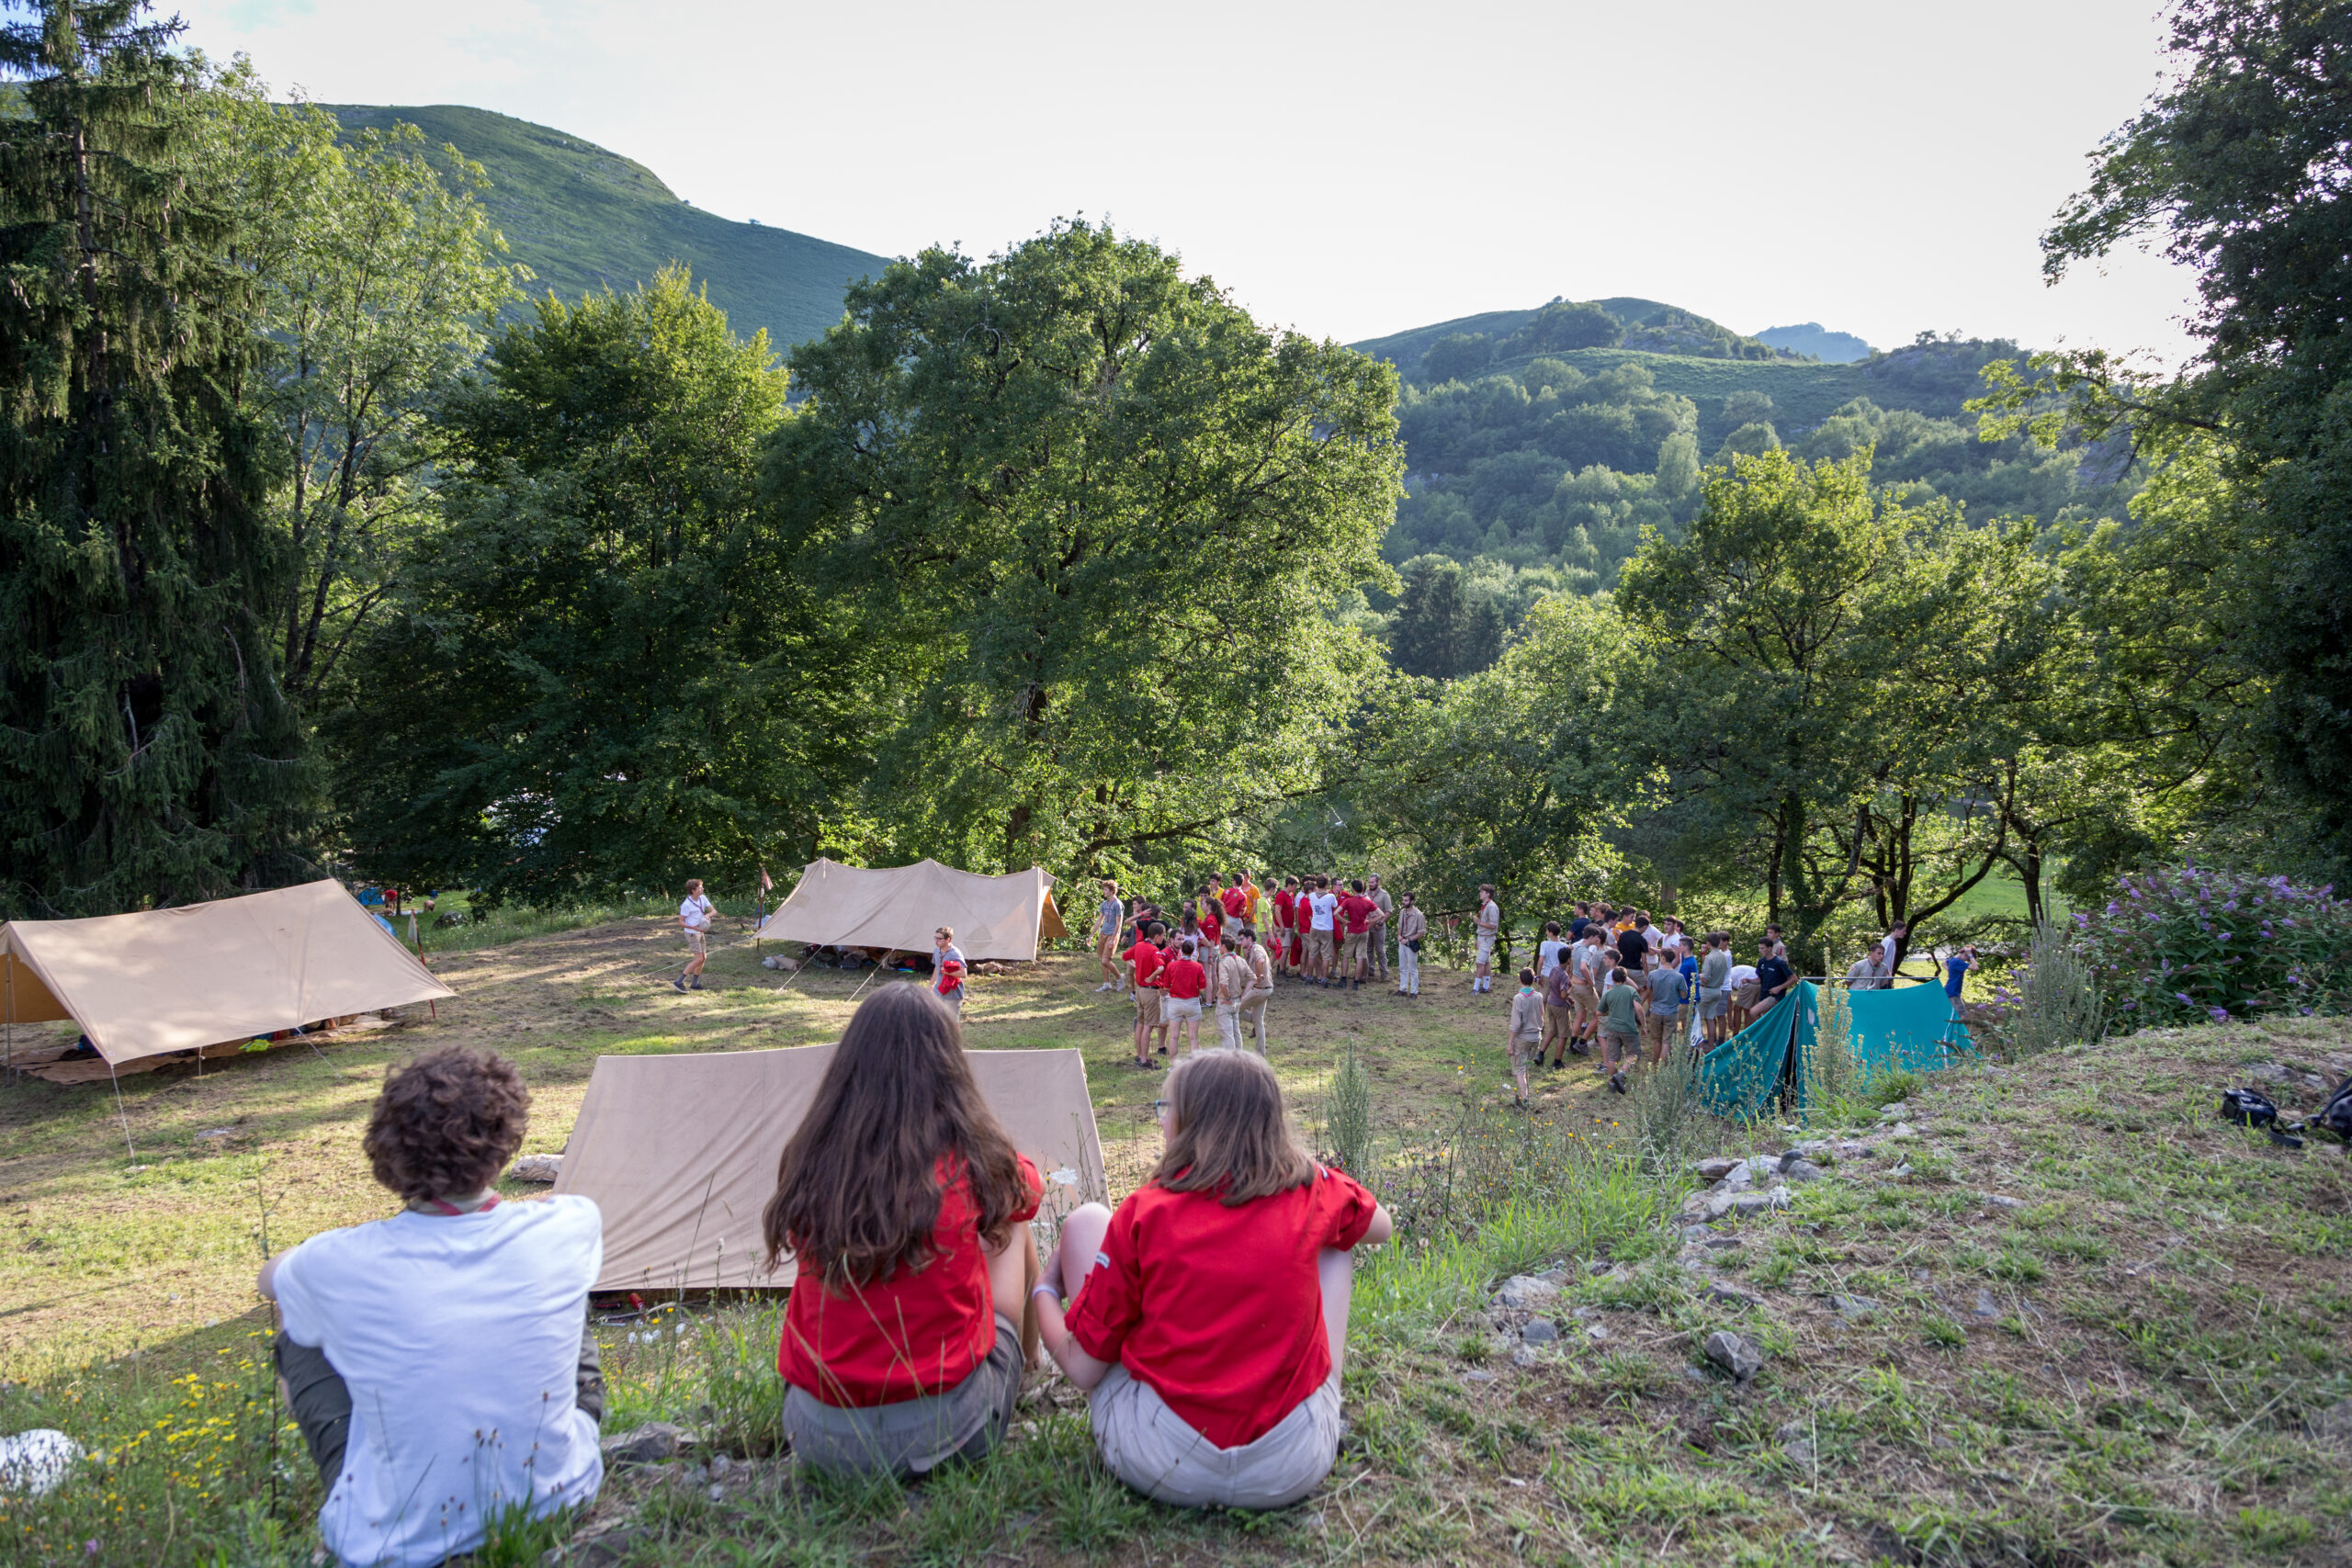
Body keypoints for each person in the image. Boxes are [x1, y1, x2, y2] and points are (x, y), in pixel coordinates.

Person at [258, 1047, 603, 1568]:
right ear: (506, 1137)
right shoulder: (571, 1223)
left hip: (395, 1540)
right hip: (560, 1495)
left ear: (387, 1151)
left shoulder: (335, 1263)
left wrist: (302, 1258)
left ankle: (367, 1472)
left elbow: (271, 1280)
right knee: (563, 1292)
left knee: (297, 1322)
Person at [1032, 1050, 1392, 1510]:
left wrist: (1044, 1289)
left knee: (1087, 1221)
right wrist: (1314, 1174)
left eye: (1166, 1110)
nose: (1162, 1123)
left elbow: (1082, 1369)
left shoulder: (1144, 1211)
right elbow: (1379, 1225)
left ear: (1190, 1123)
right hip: (1291, 1465)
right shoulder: (1312, 1190)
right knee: (1339, 1239)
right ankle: (1325, 1393)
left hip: (1158, 1461)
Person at [764, 986, 1043, 1478]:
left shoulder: (809, 1159)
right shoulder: (972, 1164)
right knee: (1012, 1227)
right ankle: (1025, 1367)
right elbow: (1029, 1191)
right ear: (948, 1068)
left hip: (815, 1434)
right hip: (947, 1432)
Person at [1128, 922, 1169, 1068]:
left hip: (1139, 990)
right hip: (1150, 991)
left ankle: (1140, 1055)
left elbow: (1126, 956)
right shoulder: (1154, 950)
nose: (1164, 939)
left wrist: (1137, 966)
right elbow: (1161, 967)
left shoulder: (1138, 945)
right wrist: (1152, 976)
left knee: (1140, 1023)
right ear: (1157, 936)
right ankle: (1145, 1060)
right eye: (1163, 936)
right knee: (1149, 1026)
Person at [1598, 964, 1641, 1094]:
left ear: (1613, 978)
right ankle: (1621, 1074)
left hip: (1612, 1028)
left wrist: (1609, 1012)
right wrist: (1643, 1025)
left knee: (1612, 1058)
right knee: (1633, 1054)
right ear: (1626, 978)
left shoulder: (1609, 993)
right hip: (1628, 1028)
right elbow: (1638, 1008)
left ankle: (1611, 1084)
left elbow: (1599, 1012)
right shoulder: (1631, 991)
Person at [1162, 939, 1208, 1055]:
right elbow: (1202, 989)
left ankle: (1173, 1065)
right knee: (1193, 1037)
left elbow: (1166, 987)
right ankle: (1195, 1066)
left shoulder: (1172, 965)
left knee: (1173, 1036)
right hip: (1192, 1002)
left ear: (1181, 951)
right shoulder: (1198, 967)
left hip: (1175, 1002)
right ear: (1193, 952)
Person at [1641, 950, 1685, 1066]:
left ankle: (1657, 1063)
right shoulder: (1679, 976)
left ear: (1663, 958)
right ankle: (1662, 1066)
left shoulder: (1653, 974)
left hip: (1655, 1010)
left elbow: (1650, 991)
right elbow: (1684, 995)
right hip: (1671, 1011)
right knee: (1667, 1040)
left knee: (1656, 1039)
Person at [1506, 967, 1542, 1107]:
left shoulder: (1518, 998)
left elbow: (1516, 1023)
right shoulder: (1539, 996)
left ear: (1520, 980)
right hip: (1536, 1037)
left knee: (1519, 1070)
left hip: (1522, 1038)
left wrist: (1510, 1042)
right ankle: (1524, 1096)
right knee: (1526, 1067)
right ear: (1533, 980)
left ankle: (1525, 1100)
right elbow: (1542, 1014)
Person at [1570, 925, 1610, 1049]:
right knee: (1600, 1014)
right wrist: (1591, 982)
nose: (1598, 940)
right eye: (1596, 938)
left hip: (1574, 985)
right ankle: (1582, 1043)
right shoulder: (1586, 951)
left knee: (1580, 1014)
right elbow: (1583, 967)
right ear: (1591, 937)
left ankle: (1572, 1044)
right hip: (1583, 986)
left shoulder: (1576, 947)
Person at [1237, 926, 1274, 1050]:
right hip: (1265, 989)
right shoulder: (1253, 950)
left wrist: (1258, 976)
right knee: (1258, 1021)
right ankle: (1260, 1054)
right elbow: (1251, 980)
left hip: (1260, 990)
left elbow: (1260, 961)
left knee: (1235, 1010)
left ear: (1249, 938)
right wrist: (1244, 995)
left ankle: (1236, 1049)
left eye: (1242, 939)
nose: (1240, 942)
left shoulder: (1256, 949)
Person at [674, 877, 715, 992]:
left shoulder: (703, 898)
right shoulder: (686, 904)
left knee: (703, 958)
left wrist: (707, 916)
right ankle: (678, 981)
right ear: (693, 890)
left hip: (700, 932)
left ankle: (694, 984)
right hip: (692, 933)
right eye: (700, 887)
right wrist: (694, 927)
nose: (702, 889)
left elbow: (714, 911)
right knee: (698, 959)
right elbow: (681, 922)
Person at [1336, 880, 1377, 990]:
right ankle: (1356, 982)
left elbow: (1336, 913)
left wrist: (1344, 921)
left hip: (1352, 930)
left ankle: (1343, 980)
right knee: (1360, 957)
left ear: (1353, 889)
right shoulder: (1367, 901)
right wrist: (1369, 922)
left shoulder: (1349, 901)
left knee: (1346, 956)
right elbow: (1381, 914)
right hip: (1363, 931)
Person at [1542, 945, 1578, 1066]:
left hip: (1551, 1003)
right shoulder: (1564, 975)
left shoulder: (1553, 969)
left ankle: (1540, 1054)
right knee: (1563, 1034)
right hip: (1560, 1007)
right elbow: (1563, 995)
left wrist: (1569, 998)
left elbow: (1555, 988)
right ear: (1568, 960)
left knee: (1552, 1031)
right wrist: (1570, 989)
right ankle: (1557, 1061)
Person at [1698, 931, 1734, 1046]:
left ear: (1708, 943)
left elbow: (1706, 977)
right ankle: (1711, 1044)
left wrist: (1698, 975)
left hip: (1709, 989)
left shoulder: (1712, 957)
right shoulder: (1723, 955)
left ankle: (1699, 1045)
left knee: (1698, 1019)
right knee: (1710, 1018)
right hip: (1718, 989)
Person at [1750, 941, 1795, 1025]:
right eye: (1759, 948)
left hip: (1775, 997)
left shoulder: (1779, 962)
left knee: (1753, 1012)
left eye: (1762, 948)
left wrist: (1779, 988)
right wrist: (1748, 980)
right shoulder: (1761, 962)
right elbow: (1760, 980)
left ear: (1770, 948)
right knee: (1769, 1019)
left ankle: (1763, 1029)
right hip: (1764, 994)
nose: (1760, 950)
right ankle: (1767, 1033)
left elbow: (1794, 978)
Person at [1306, 877, 1339, 987]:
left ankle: (1309, 978)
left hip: (1314, 927)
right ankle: (1324, 979)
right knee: (1326, 955)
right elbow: (1335, 906)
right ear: (1326, 885)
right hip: (1326, 928)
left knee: (1312, 954)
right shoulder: (1331, 896)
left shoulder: (1311, 895)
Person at [1095, 881, 1125, 993]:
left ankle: (1119, 977)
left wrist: (1113, 938)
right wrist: (1091, 935)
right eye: (1103, 889)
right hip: (1103, 933)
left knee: (1105, 960)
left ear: (1112, 891)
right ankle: (1107, 983)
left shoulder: (1117, 904)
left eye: (1105, 890)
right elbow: (1099, 920)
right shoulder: (1104, 904)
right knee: (1102, 959)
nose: (1103, 891)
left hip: (1112, 934)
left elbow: (1118, 923)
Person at [1394, 893, 1426, 997]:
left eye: (1406, 900)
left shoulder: (1418, 915)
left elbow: (1421, 932)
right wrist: (1399, 936)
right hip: (1402, 941)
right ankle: (1402, 989)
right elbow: (1399, 926)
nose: (1404, 902)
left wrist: (1408, 939)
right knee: (1402, 967)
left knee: (1412, 968)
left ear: (1412, 901)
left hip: (1411, 943)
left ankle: (1414, 992)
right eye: (1403, 900)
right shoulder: (1402, 912)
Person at [1366, 874, 1395, 985]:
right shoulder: (1366, 893)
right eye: (1369, 882)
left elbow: (1388, 911)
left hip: (1379, 925)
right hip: (1368, 924)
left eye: (1373, 882)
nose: (1370, 884)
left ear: (1378, 882)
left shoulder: (1384, 895)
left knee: (1380, 949)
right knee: (1368, 949)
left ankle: (1384, 973)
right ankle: (1370, 970)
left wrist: (1381, 922)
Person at [933, 927, 968, 1013]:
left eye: (939, 938)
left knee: (952, 1024)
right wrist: (931, 984)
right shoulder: (936, 950)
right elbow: (937, 967)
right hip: (938, 992)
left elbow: (963, 973)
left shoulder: (955, 954)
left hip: (952, 996)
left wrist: (946, 971)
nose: (936, 941)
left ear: (948, 939)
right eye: (936, 938)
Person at [1473, 884, 1500, 994]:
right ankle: (1485, 986)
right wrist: (1477, 938)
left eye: (1482, 892)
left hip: (1487, 938)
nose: (1480, 893)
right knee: (1486, 962)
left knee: (1479, 963)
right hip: (1482, 937)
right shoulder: (1485, 905)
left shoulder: (1492, 907)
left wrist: (1479, 922)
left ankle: (1475, 989)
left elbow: (1494, 925)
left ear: (1488, 894)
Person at [1272, 877, 1299, 977]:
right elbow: (1277, 911)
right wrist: (1282, 926)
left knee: (1287, 948)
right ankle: (1282, 971)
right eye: (1295, 886)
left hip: (1290, 925)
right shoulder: (1281, 895)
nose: (1296, 888)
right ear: (1289, 885)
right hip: (1284, 927)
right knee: (1285, 949)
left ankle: (1282, 967)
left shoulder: (1291, 895)